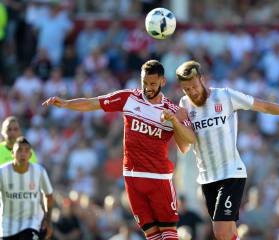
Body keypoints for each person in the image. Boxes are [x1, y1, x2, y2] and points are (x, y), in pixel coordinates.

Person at [42, 60, 196, 240]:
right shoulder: (129, 98)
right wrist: (67, 104)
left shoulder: (173, 110)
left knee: (168, 233)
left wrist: (175, 122)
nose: (147, 88)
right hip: (132, 178)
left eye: (153, 84)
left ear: (163, 81)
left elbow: (189, 140)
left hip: (158, 178)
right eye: (144, 83)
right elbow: (94, 103)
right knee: (151, 235)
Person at [175, 60, 279, 240]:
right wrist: (176, 124)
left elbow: (263, 106)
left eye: (194, 86)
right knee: (227, 233)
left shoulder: (225, 96)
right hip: (207, 178)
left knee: (220, 232)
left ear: (202, 80)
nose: (192, 92)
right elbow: (183, 147)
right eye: (186, 89)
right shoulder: (184, 105)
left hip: (231, 173)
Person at [0, 137, 53, 239]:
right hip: (7, 226)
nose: (23, 154)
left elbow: (48, 195)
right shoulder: (2, 172)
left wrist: (48, 219)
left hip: (31, 223)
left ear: (30, 155)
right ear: (12, 154)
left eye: (26, 151)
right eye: (19, 150)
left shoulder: (39, 171)